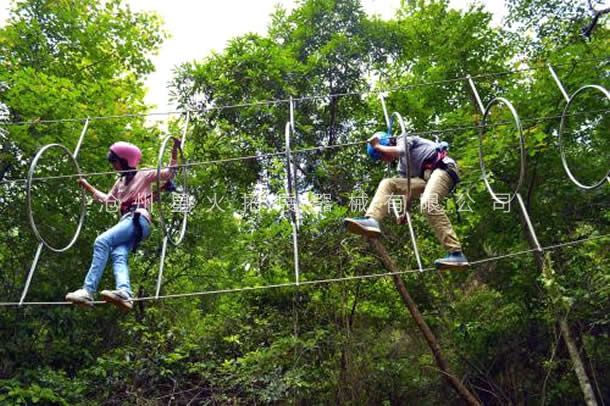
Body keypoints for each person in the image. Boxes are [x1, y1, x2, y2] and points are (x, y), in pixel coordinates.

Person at [66, 139, 181, 310]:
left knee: (102, 241)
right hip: (129, 222)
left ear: (126, 161)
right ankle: (125, 293)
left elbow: (169, 174)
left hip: (137, 218)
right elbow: (107, 200)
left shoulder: (144, 175)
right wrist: (88, 187)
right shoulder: (119, 183)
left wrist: (174, 151)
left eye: (116, 162)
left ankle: (88, 291)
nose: (114, 166)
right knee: (119, 255)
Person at [344, 131, 469, 269]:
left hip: (442, 169)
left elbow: (400, 151)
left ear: (387, 144)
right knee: (389, 183)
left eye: (382, 156)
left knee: (428, 204)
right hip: (425, 179)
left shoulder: (403, 139)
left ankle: (456, 253)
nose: (384, 160)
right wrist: (404, 211)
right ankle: (372, 220)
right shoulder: (402, 167)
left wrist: (377, 146)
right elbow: (408, 188)